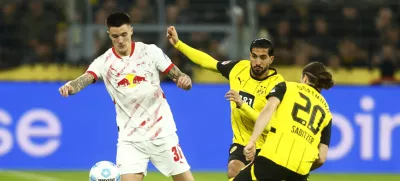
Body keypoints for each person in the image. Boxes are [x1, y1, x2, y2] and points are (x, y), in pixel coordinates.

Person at [59, 12, 195, 181]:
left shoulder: (150, 52)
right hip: (130, 140)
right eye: (115, 36)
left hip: (162, 132)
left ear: (131, 30)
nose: (120, 40)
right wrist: (70, 87)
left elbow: (180, 77)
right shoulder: (104, 62)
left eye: (124, 34)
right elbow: (85, 78)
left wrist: (184, 80)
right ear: (109, 35)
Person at [166, 26, 285, 179]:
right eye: (254, 56)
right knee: (233, 170)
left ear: (271, 59)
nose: (257, 62)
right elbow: (208, 62)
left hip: (269, 146)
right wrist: (178, 44)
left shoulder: (278, 84)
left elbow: (269, 126)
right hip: (242, 142)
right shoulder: (238, 69)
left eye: (262, 58)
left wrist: (242, 105)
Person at [231, 62, 334, 181]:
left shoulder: (286, 87)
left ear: (305, 77)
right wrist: (300, 170)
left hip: (273, 159)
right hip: (300, 170)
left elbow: (267, 111)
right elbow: (322, 157)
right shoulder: (327, 112)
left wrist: (252, 141)